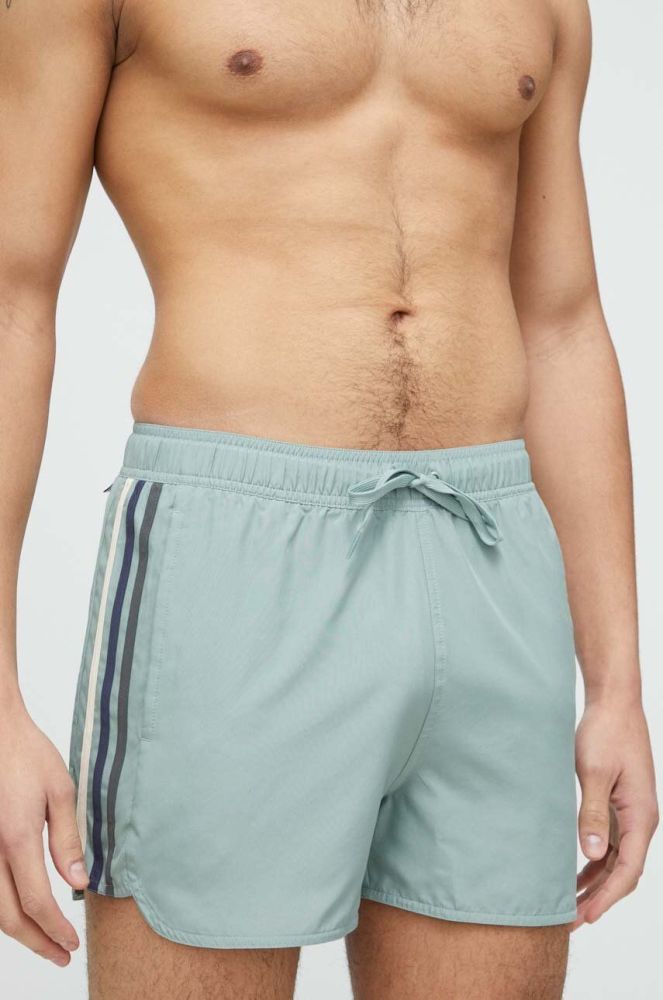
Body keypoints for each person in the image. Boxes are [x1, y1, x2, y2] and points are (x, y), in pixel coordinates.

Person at [0, 1, 657, 998]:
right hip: (234, 557)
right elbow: (11, 298)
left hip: (490, 553)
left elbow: (561, 320)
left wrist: (616, 688)